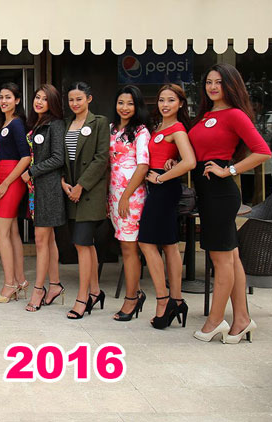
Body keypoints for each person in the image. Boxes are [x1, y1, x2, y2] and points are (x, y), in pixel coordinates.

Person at [189, 64, 271, 343]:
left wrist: (230, 170)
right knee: (231, 258)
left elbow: (263, 152)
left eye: (219, 82)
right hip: (206, 192)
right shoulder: (206, 115)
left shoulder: (235, 114)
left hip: (221, 193)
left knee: (220, 258)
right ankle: (242, 319)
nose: (213, 87)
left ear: (231, 85)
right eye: (209, 82)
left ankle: (214, 322)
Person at [139, 84, 196, 328]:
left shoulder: (178, 129)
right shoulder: (159, 127)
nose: (165, 104)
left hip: (164, 188)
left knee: (146, 242)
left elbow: (190, 162)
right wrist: (171, 161)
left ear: (180, 103)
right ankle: (177, 300)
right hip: (160, 188)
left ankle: (163, 300)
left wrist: (161, 178)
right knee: (170, 244)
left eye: (171, 100)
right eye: (161, 99)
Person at [61, 82, 110, 319]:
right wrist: (63, 181)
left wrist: (82, 185)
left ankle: (82, 298)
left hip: (89, 192)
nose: (75, 103)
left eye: (79, 99)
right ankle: (95, 291)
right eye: (71, 99)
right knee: (85, 244)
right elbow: (62, 157)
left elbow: (101, 159)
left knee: (81, 243)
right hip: (70, 191)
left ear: (89, 99)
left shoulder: (99, 122)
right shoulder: (66, 124)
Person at [20, 84, 67, 312]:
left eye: (44, 99)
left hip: (48, 189)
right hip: (36, 188)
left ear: (53, 103)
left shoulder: (55, 124)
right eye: (37, 97)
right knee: (49, 240)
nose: (39, 102)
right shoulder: (37, 124)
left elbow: (58, 158)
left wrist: (32, 171)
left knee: (41, 240)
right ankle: (55, 285)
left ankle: (38, 289)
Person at [107, 86, 150, 322]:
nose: (124, 108)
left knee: (129, 248)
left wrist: (125, 196)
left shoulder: (141, 132)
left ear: (137, 106)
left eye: (130, 103)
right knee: (125, 246)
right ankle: (137, 292)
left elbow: (143, 166)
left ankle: (132, 298)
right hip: (114, 196)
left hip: (131, 197)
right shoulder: (112, 129)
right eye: (121, 102)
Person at [0, 83, 32, 304]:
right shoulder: (4, 123)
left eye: (8, 97)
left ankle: (9, 284)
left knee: (0, 230)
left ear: (17, 100)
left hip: (12, 179)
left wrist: (6, 183)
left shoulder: (16, 123)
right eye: (1, 97)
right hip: (4, 177)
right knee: (12, 231)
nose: (3, 101)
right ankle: (20, 280)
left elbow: (25, 157)